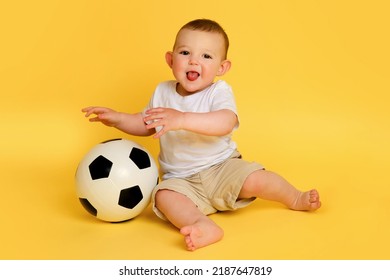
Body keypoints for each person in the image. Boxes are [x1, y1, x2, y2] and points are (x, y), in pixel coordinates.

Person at [82, 19, 321, 251]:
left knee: (257, 179)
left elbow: (225, 122)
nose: (194, 61)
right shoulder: (162, 91)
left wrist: (182, 119)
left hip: (221, 168)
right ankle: (202, 225)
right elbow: (146, 123)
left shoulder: (218, 91)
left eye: (206, 56)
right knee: (164, 196)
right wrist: (118, 119)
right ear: (170, 59)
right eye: (185, 53)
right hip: (181, 178)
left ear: (221, 68)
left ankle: (295, 197)